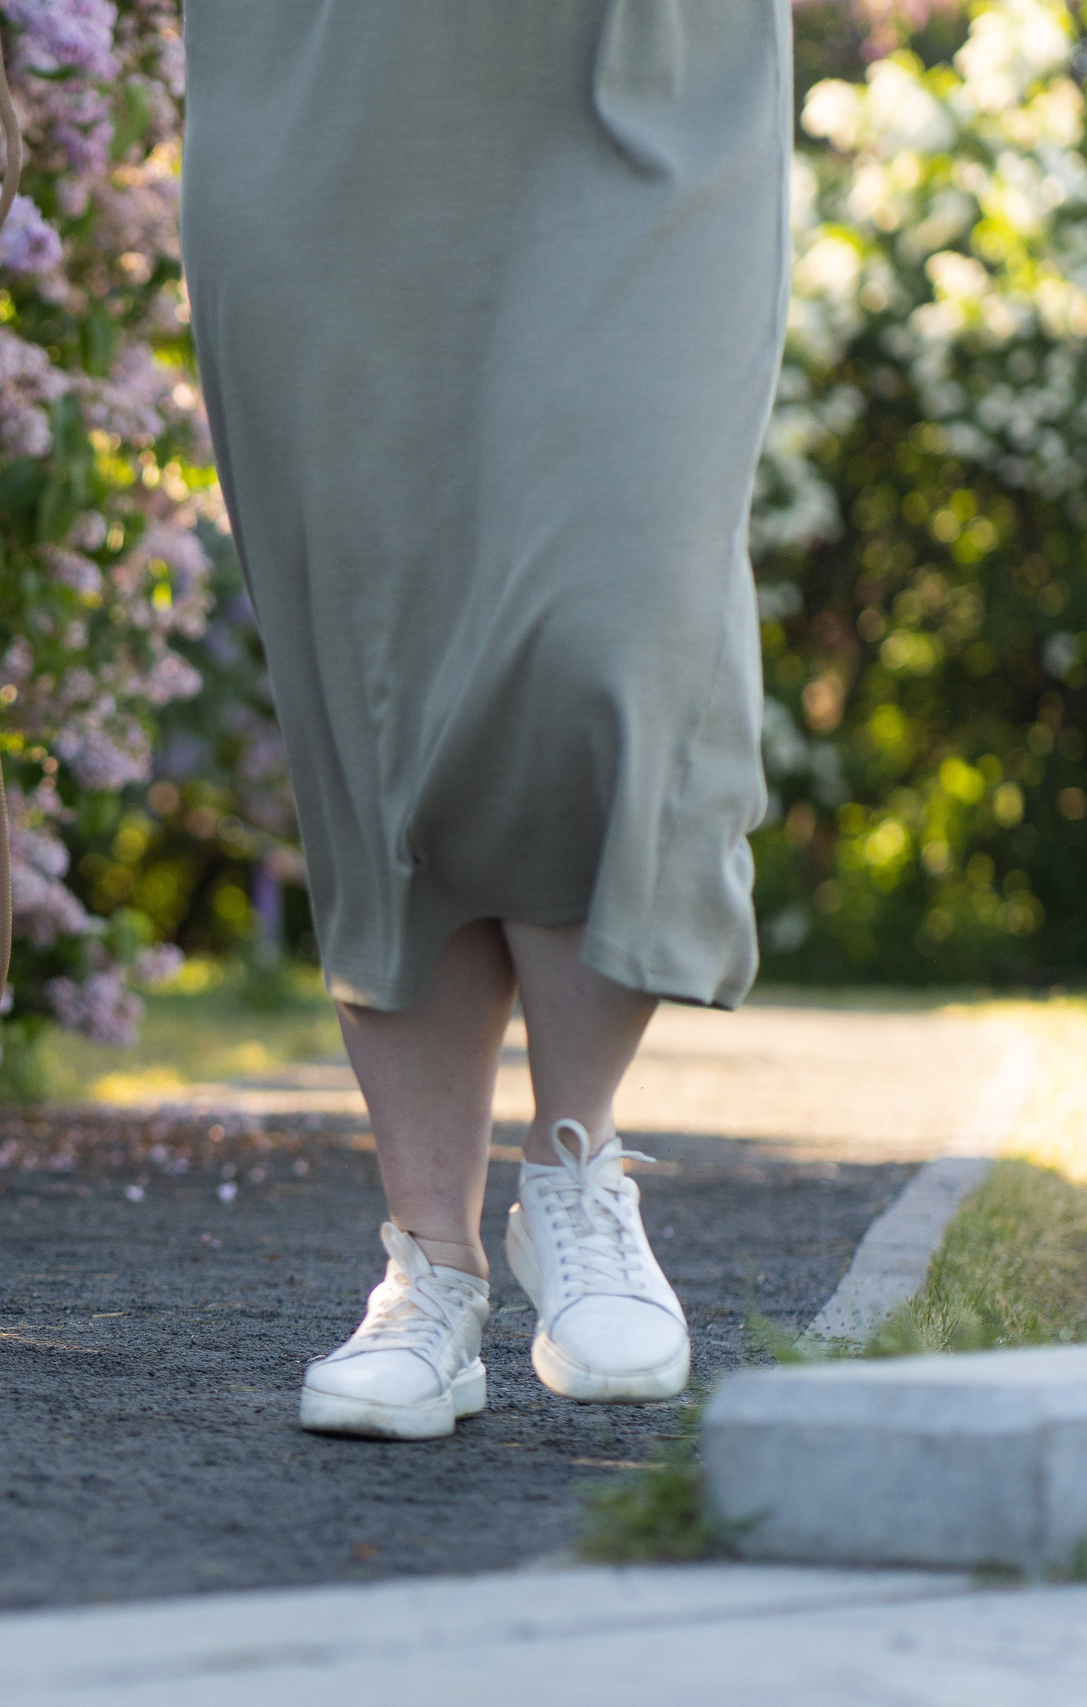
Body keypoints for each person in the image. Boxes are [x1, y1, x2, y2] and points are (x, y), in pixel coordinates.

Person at [179, 3, 792, 1440]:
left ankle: (577, 1172)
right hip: (326, 77)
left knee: (613, 622)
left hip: (640, 70)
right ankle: (431, 1269)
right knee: (376, 664)